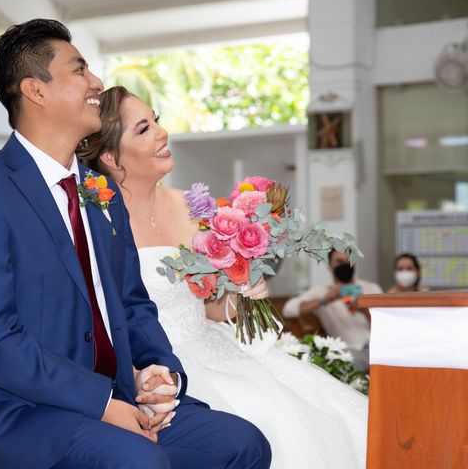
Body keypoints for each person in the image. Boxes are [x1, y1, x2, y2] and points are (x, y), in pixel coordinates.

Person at [0, 19, 270, 469]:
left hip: (117, 397)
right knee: (138, 462)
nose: (97, 83)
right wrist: (102, 404)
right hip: (24, 413)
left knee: (242, 444)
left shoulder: (99, 191)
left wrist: (158, 372)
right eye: (79, 70)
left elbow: (132, 304)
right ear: (35, 90)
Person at [78, 85, 370, 469]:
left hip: (213, 344)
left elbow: (212, 307)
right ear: (111, 156)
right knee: (264, 417)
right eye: (144, 128)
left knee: (329, 413)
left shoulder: (194, 209)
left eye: (158, 121)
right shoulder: (94, 219)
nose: (162, 133)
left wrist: (244, 291)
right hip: (155, 366)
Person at [283, 249, 383, 372]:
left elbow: (385, 325)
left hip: (379, 346)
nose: (344, 265)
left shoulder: (371, 289)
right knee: (342, 360)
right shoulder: (323, 292)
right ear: (329, 265)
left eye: (348, 261)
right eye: (339, 261)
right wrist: (325, 299)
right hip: (351, 351)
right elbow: (289, 309)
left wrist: (364, 309)